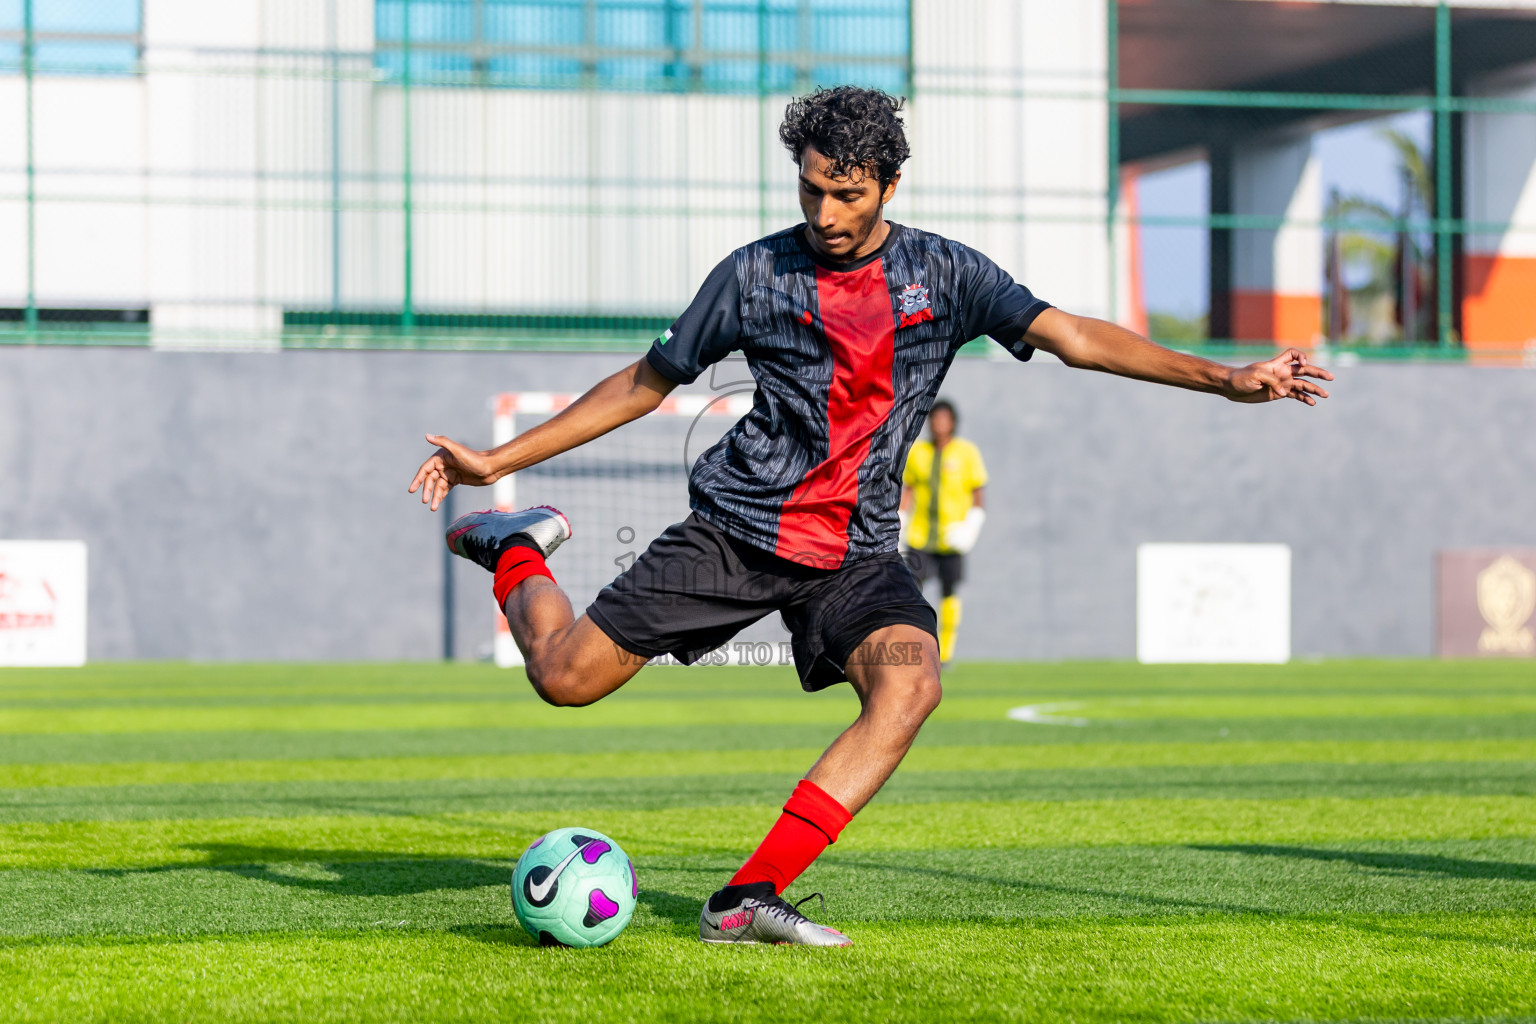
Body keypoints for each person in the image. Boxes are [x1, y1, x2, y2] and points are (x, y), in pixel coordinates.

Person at [408, 86, 1332, 947]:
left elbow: (1076, 336)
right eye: (810, 190)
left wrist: (1223, 378)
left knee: (910, 685)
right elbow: (647, 385)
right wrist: (498, 462)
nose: (824, 214)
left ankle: (743, 900)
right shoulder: (754, 275)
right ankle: (520, 551)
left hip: (855, 556)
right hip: (738, 533)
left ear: (889, 183)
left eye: (846, 193)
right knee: (564, 679)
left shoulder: (946, 273)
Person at [900, 399, 986, 665]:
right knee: (912, 592)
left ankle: (944, 653)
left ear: (953, 423)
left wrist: (972, 524)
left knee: (950, 593)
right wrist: (900, 521)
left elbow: (977, 493)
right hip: (921, 536)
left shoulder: (966, 453)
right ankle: (914, 648)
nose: (939, 424)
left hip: (952, 538)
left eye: (944, 419)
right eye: (935, 419)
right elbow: (909, 490)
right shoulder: (918, 452)